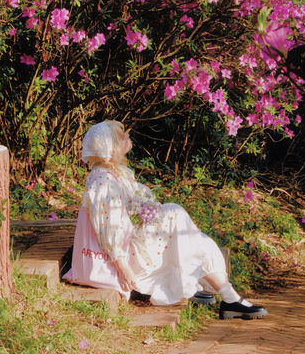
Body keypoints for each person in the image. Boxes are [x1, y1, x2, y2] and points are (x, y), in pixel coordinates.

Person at [64, 120, 267, 320]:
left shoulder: (116, 173)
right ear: (110, 147)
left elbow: (132, 208)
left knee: (184, 227)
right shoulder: (104, 180)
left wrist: (148, 210)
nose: (128, 137)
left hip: (126, 247)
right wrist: (123, 269)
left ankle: (228, 297)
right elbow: (109, 229)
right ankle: (228, 297)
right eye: (121, 136)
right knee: (175, 216)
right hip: (114, 261)